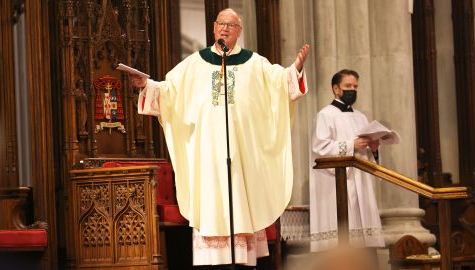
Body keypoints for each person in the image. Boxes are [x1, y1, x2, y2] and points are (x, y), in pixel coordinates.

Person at [131, 8, 310, 269]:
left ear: (239, 31)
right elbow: (169, 91)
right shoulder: (195, 63)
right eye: (221, 24)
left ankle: (240, 260)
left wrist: (296, 68)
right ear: (214, 28)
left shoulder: (254, 63)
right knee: (212, 197)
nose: (225, 28)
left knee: (238, 194)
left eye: (231, 25)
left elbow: (280, 83)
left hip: (240, 154)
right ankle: (213, 261)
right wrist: (146, 86)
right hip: (208, 154)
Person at [309, 69, 385, 254]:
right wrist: (351, 144)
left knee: (364, 246)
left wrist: (373, 149)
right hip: (339, 185)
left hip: (361, 181)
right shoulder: (325, 115)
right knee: (345, 241)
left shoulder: (361, 117)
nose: (353, 90)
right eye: (348, 86)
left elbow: (365, 149)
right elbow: (320, 149)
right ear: (336, 89)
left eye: (356, 87)